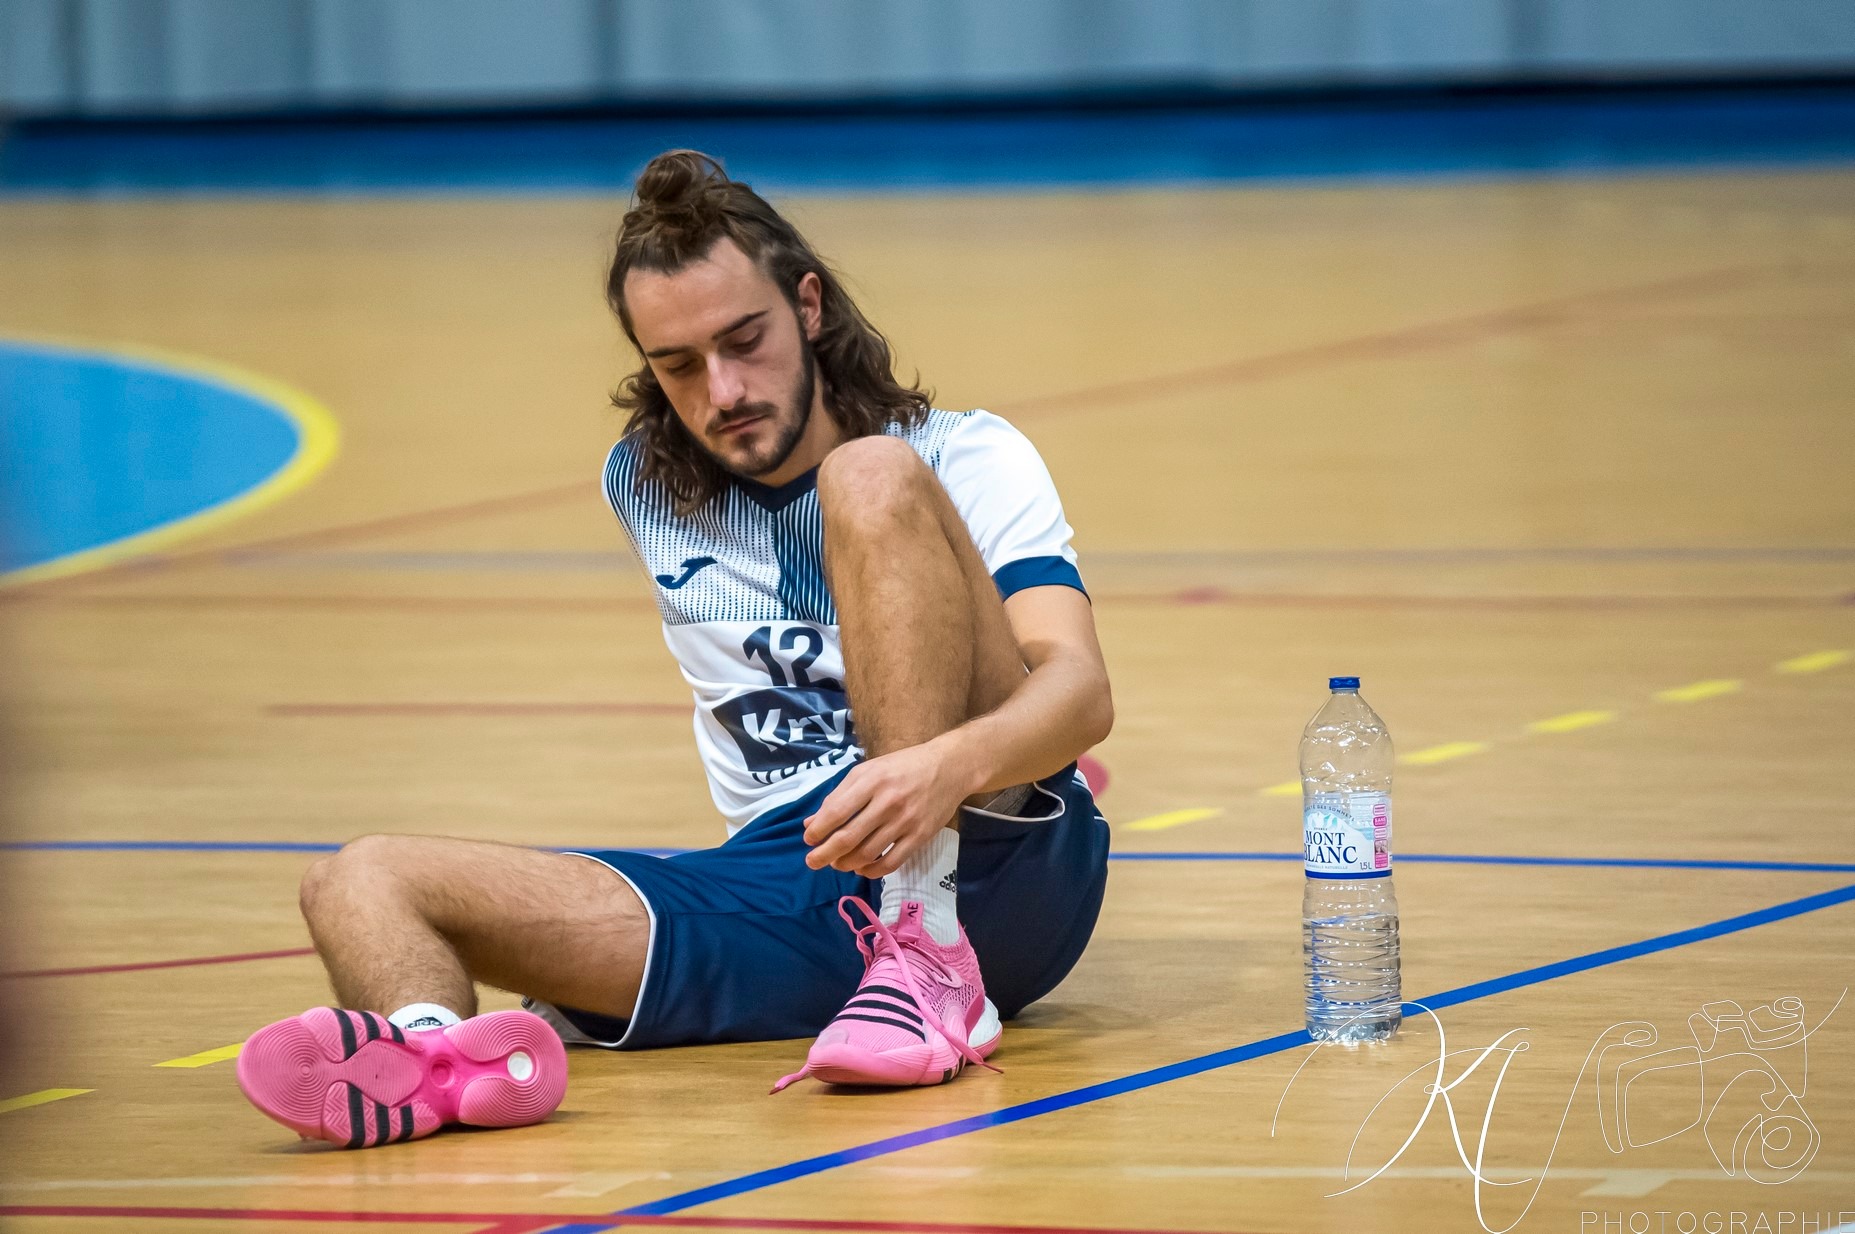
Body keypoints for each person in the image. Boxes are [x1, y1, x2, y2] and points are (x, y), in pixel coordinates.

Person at [234, 149, 1113, 1148]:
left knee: (868, 473)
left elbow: (1078, 693)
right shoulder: (643, 483)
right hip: (791, 881)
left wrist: (951, 762)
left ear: (808, 306)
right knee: (359, 879)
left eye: (744, 341)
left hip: (992, 857)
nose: (722, 389)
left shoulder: (966, 452)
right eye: (679, 365)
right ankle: (437, 1061)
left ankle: (924, 947)